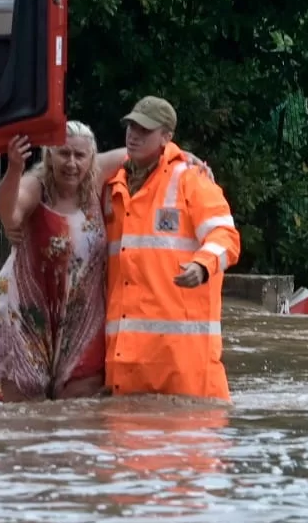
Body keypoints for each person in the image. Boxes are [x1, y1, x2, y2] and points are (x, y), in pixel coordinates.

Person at [101, 96, 241, 402]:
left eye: (145, 130)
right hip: (126, 366)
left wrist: (202, 265)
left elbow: (225, 236)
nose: (133, 135)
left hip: (185, 370)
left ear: (167, 137)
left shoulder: (192, 179)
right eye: (131, 127)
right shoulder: (113, 186)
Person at [0, 121, 108, 401]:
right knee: (26, 404)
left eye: (79, 155)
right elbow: (8, 212)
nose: (72, 163)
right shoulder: (36, 185)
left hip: (81, 315)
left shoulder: (98, 182)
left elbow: (139, 151)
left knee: (79, 400)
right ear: (49, 156)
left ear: (91, 158)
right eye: (64, 154)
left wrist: (189, 160)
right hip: (27, 309)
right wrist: (15, 169)